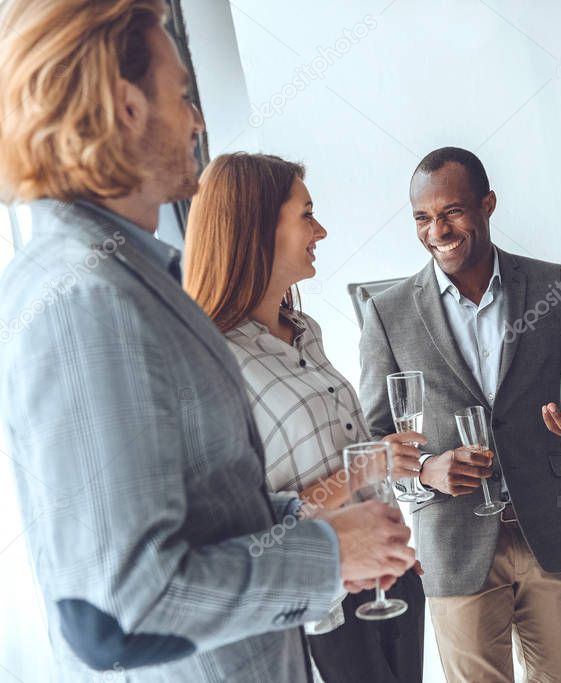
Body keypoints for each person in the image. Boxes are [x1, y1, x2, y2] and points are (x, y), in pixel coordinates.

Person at [0, 2, 414, 680]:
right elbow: (120, 609)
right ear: (126, 104)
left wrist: (331, 534)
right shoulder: (84, 298)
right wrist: (327, 556)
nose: (197, 120)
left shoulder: (130, 276)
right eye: (184, 94)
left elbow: (215, 520)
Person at [358, 146, 561, 682]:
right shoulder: (387, 312)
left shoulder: (549, 284)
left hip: (548, 531)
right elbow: (373, 436)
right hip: (454, 545)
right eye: (422, 218)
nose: (438, 229)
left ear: (488, 205)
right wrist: (427, 469)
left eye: (452, 211)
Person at [183, 151, 427, 683]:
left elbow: (355, 449)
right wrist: (365, 469)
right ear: (256, 227)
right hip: (323, 606)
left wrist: (393, 546)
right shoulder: (213, 359)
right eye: (306, 214)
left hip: (390, 579)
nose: (321, 229)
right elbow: (243, 521)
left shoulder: (306, 330)